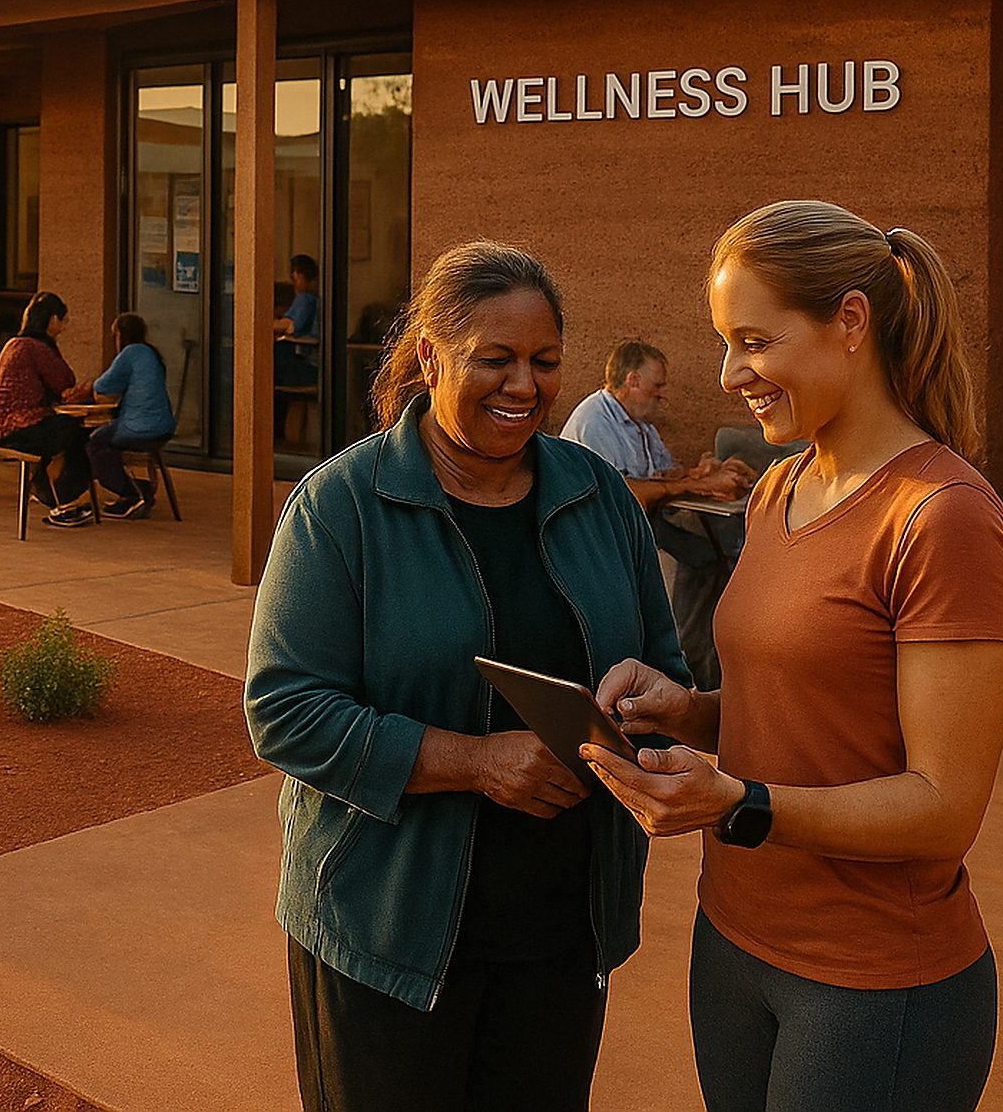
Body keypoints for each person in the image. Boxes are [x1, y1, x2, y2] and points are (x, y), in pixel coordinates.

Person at [583, 202, 1003, 1112]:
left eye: (754, 339)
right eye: (723, 341)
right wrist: (689, 706)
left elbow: (943, 807)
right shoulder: (780, 486)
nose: (730, 371)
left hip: (870, 984)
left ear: (851, 321)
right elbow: (797, 700)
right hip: (736, 942)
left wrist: (738, 803)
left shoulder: (945, 518)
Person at [244, 241, 689, 1112]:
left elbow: (667, 672)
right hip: (386, 933)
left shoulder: (599, 497)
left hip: (563, 932)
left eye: (545, 361)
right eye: (496, 359)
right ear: (428, 356)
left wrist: (648, 712)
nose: (523, 385)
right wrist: (475, 759)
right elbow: (284, 709)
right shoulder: (340, 507)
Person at [561, 339, 753, 689]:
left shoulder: (640, 424)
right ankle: (681, 664)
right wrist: (696, 484)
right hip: (602, 534)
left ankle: (697, 666)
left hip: (641, 525)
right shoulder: (595, 420)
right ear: (633, 381)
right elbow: (624, 493)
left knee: (710, 556)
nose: (662, 394)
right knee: (697, 561)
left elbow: (663, 473)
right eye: (657, 385)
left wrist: (705, 472)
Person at [0, 291, 97, 529]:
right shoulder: (36, 347)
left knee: (65, 432)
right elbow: (64, 381)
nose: (63, 327)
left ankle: (46, 490)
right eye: (63, 320)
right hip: (18, 426)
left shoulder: (15, 343)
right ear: (53, 318)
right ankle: (64, 502)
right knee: (78, 433)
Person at [73, 312, 176, 519]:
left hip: (138, 428)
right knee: (104, 440)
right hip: (163, 427)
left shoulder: (129, 353)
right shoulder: (151, 353)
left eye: (114, 334)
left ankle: (130, 493)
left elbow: (103, 385)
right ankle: (139, 489)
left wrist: (83, 389)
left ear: (121, 334)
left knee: (94, 443)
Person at [274, 254, 322, 442]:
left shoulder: (305, 299)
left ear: (300, 276)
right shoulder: (313, 299)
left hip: (303, 364)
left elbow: (291, 325)